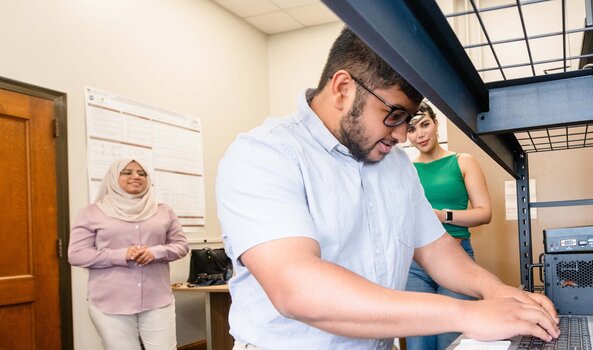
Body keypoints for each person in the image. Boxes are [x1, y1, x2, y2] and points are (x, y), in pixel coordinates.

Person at [216, 27, 560, 350]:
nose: (400, 135)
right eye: (394, 114)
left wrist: (495, 291)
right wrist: (466, 314)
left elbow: (437, 249)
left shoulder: (395, 165)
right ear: (342, 89)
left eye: (407, 120)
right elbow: (296, 288)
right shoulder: (264, 154)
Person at [68, 159, 189, 350]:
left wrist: (156, 252)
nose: (136, 177)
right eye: (127, 172)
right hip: (110, 302)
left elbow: (181, 245)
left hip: (156, 299)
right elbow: (76, 254)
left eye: (142, 174)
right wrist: (121, 255)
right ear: (113, 178)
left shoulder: (164, 211)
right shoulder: (91, 213)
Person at [404, 102, 493, 350]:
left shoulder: (462, 161)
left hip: (456, 257)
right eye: (412, 129)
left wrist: (442, 216)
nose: (420, 134)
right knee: (418, 342)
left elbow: (484, 213)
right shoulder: (406, 170)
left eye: (424, 124)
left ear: (436, 124)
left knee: (451, 341)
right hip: (416, 264)